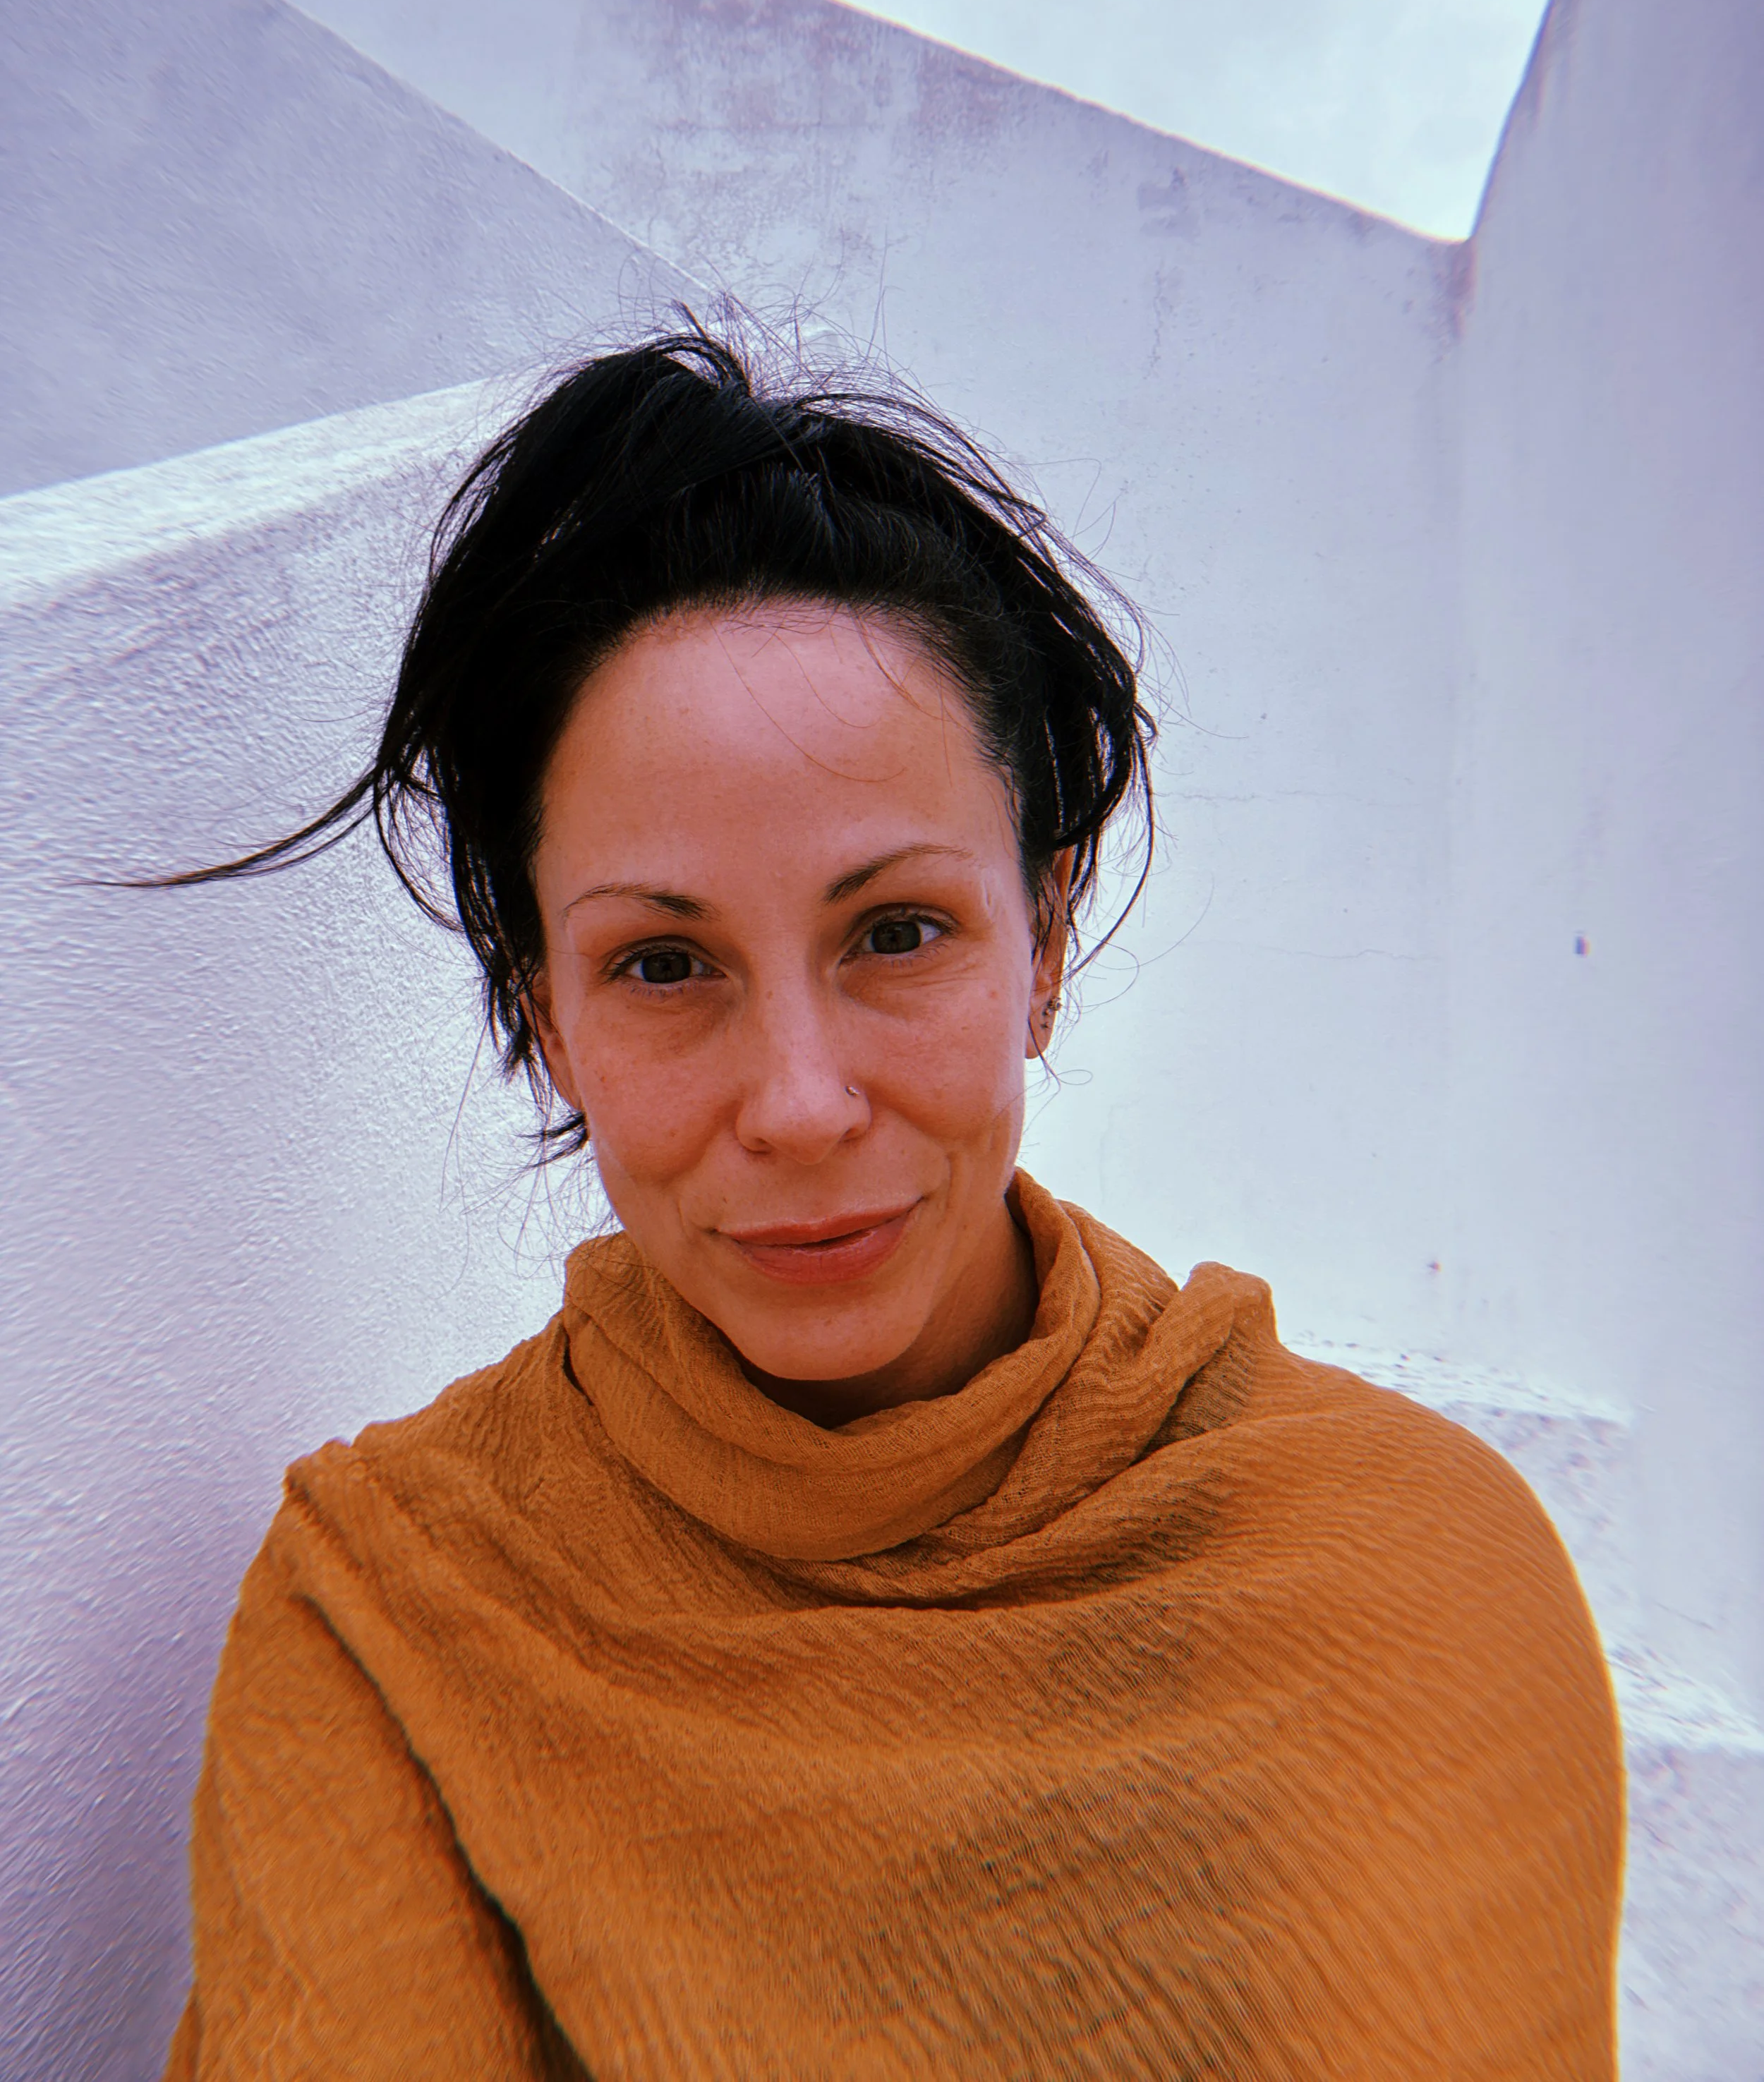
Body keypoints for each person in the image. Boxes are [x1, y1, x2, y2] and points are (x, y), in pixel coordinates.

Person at [157, 325, 1621, 2080]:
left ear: (1046, 943)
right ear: (547, 1015)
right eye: (662, 961)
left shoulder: (1402, 1565)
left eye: (897, 931)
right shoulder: (398, 1613)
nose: (796, 1103)